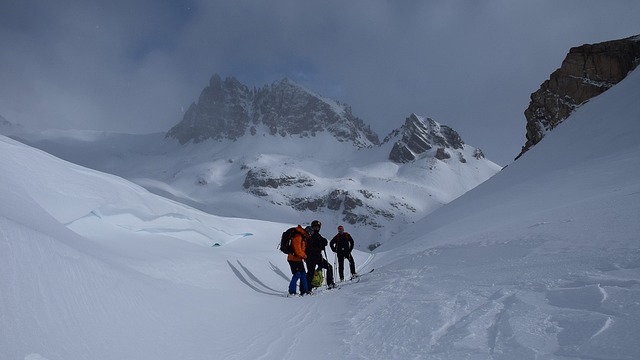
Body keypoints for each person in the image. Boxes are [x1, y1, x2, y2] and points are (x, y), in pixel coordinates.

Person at [304, 220, 336, 290]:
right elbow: (309, 248)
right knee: (310, 273)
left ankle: (330, 283)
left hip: (317, 257)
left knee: (329, 267)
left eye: (317, 227)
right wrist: (320, 246)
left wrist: (323, 242)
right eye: (315, 227)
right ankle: (308, 289)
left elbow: (324, 241)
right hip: (311, 258)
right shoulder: (309, 235)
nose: (316, 229)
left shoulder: (317, 235)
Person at [287, 225, 310, 296]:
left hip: (298, 259)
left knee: (303, 274)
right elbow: (298, 250)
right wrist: (305, 256)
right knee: (297, 274)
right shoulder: (298, 236)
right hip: (293, 259)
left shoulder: (303, 236)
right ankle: (291, 291)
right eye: (310, 232)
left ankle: (305, 291)